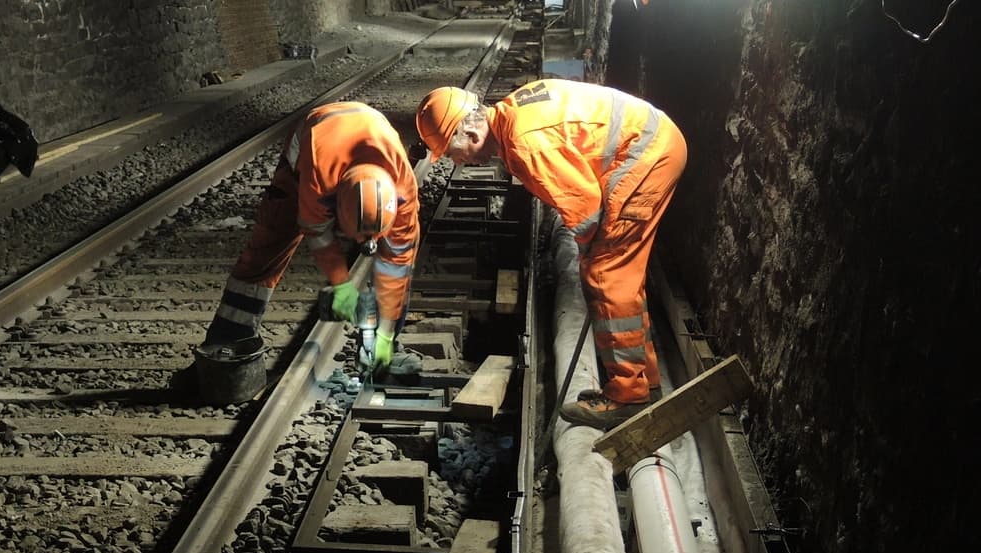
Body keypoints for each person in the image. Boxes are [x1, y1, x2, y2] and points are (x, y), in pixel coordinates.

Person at [415, 79, 687, 429]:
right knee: (618, 276)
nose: (458, 162)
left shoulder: (523, 144)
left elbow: (587, 209)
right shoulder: (511, 116)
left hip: (647, 154)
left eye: (452, 154)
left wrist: (592, 257)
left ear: (469, 134)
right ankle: (643, 383)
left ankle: (629, 397)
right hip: (652, 145)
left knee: (606, 275)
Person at [202, 101, 420, 378]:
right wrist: (341, 283)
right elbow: (317, 234)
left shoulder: (405, 192)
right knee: (272, 238)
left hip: (361, 134)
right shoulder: (319, 176)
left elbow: (397, 268)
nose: (366, 245)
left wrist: (387, 336)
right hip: (312, 147)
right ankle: (229, 336)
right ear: (335, 206)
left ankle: (379, 349)